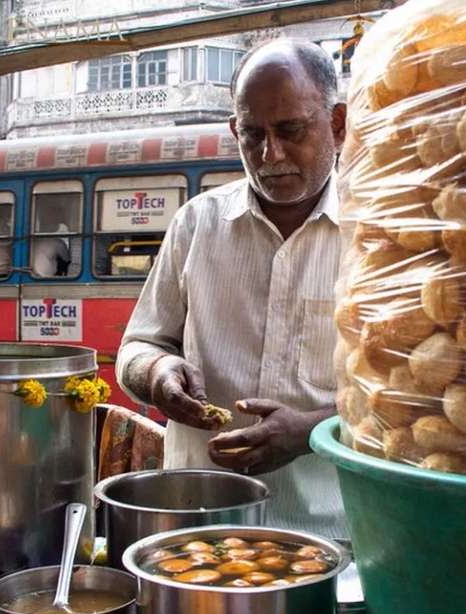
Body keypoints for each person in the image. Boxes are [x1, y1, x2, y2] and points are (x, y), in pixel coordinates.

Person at [116, 39, 347, 538]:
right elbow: (137, 346)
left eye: (290, 130)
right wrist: (157, 373)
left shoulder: (379, 234)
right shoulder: (196, 224)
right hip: (198, 522)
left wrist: (312, 431)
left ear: (338, 124)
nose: (271, 154)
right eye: (252, 135)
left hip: (334, 535)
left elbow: (408, 397)